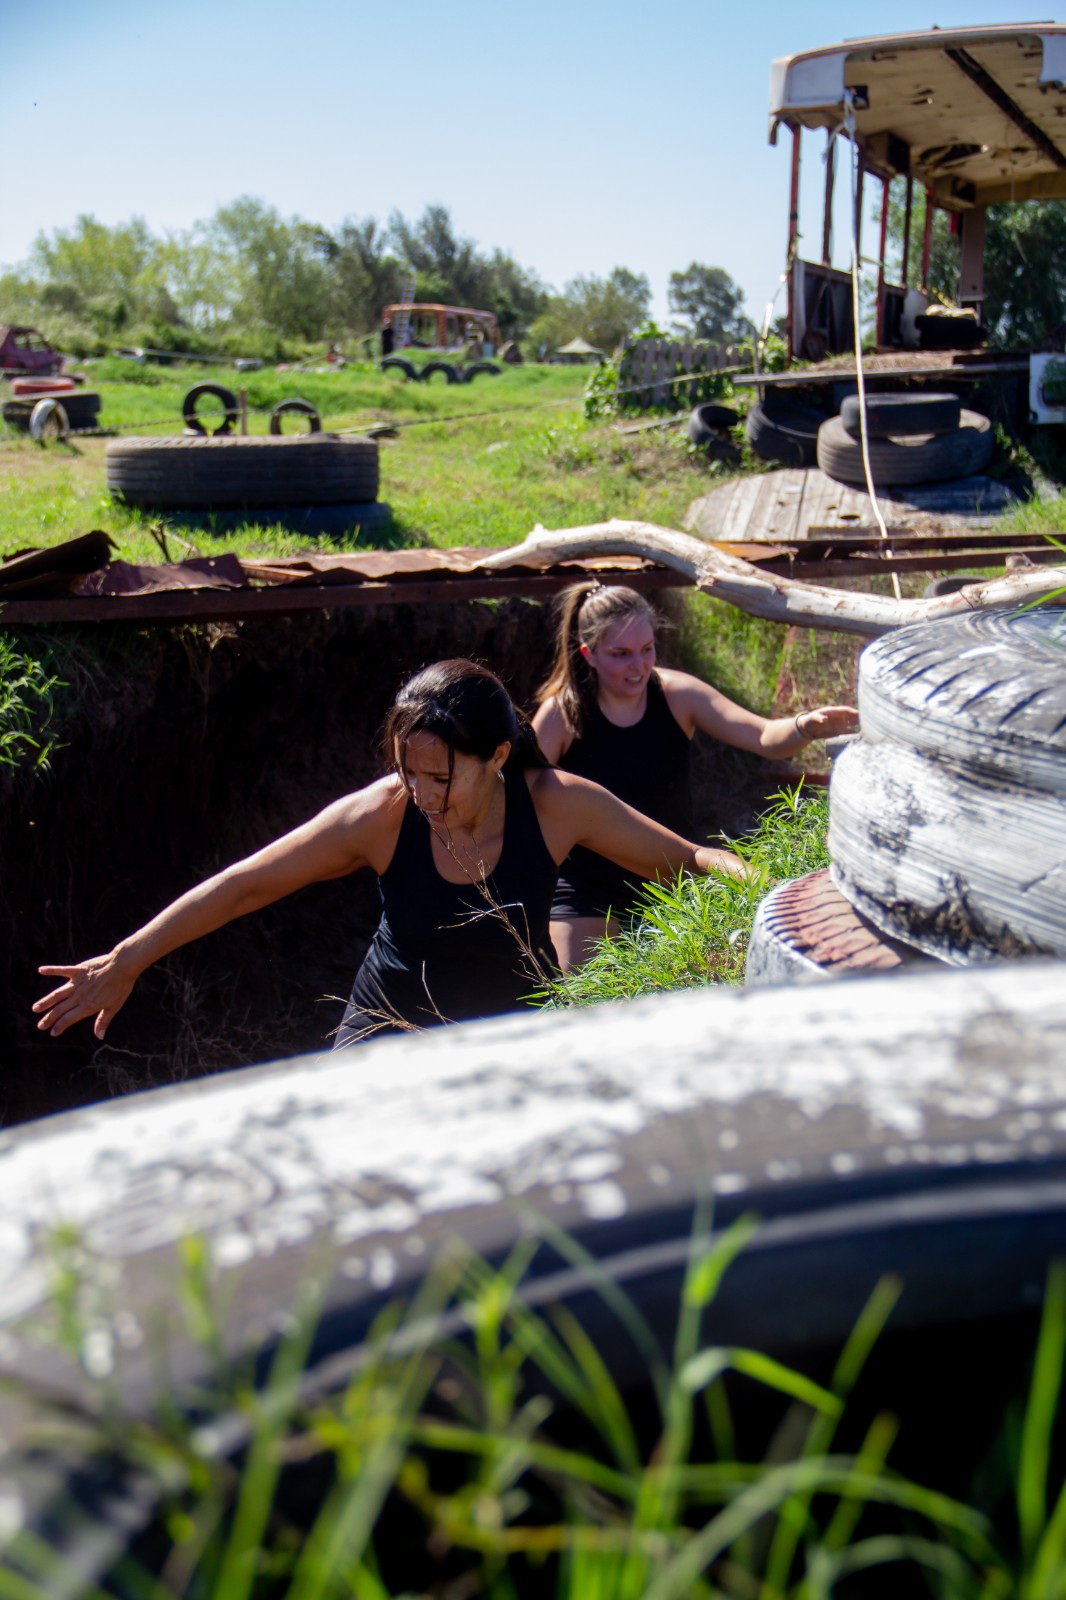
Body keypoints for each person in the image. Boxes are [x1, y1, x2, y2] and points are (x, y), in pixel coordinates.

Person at [34, 659, 745, 1050]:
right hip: (384, 1034)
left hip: (509, 1042)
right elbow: (246, 884)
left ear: (496, 756)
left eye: (441, 777)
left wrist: (764, 882)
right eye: (408, 771)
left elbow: (685, 860)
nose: (423, 794)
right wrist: (128, 957)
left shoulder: (558, 804)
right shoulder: (381, 816)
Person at [532, 584, 860, 971]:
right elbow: (521, 794)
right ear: (589, 654)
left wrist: (805, 725)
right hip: (586, 885)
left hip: (670, 870)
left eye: (646, 649)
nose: (638, 666)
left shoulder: (677, 695)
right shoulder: (562, 713)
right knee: (580, 999)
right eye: (621, 655)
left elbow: (763, 737)